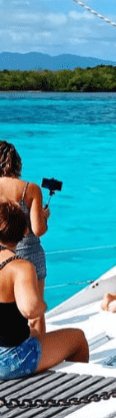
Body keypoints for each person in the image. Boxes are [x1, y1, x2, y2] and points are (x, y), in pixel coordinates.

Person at [0, 201, 88, 380]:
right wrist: (42, 305)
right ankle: (71, 395)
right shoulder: (20, 267)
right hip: (10, 359)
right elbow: (30, 309)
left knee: (35, 334)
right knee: (79, 340)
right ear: (25, 231)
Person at [0, 141, 50, 336]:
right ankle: (40, 354)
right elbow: (37, 230)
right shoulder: (30, 189)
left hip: (3, 255)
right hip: (29, 254)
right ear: (17, 163)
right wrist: (44, 216)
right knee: (35, 314)